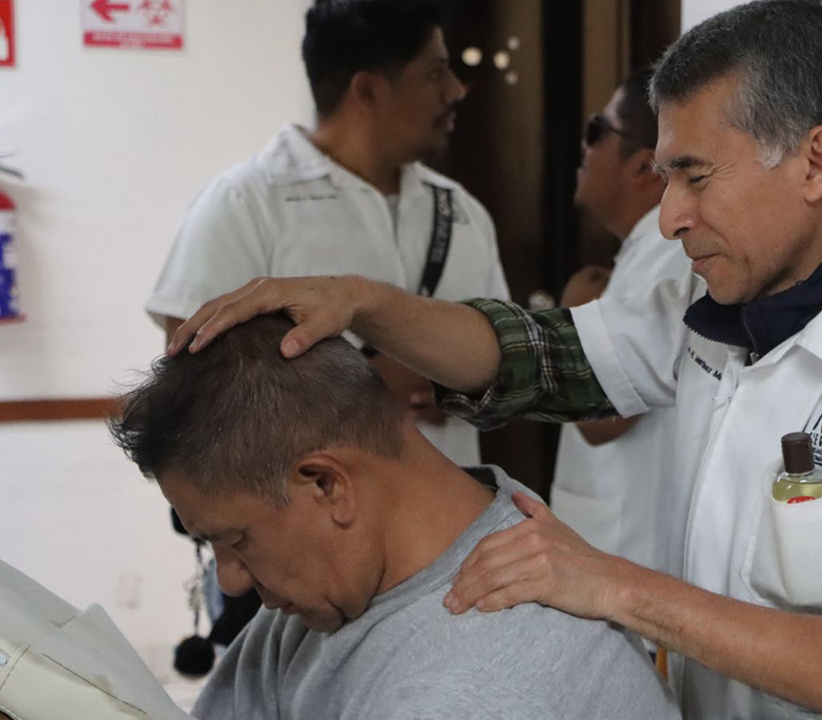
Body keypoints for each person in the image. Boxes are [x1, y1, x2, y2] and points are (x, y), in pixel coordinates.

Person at [168, 2, 822, 718]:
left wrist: (616, 586)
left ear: (816, 161)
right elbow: (540, 358)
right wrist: (365, 303)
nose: (668, 217)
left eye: (695, 176)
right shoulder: (726, 303)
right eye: (664, 177)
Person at [109, 315, 680, 720]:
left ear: (326, 484)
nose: (231, 580)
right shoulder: (331, 586)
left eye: (237, 540)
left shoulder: (475, 688)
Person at [146, 0, 509, 467]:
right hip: (300, 508)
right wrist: (367, 386)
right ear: (369, 90)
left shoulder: (462, 211)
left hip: (455, 504)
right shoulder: (245, 202)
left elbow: (510, 365)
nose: (456, 89)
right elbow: (191, 393)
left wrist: (462, 384)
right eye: (436, 72)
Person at [551, 68, 691, 575]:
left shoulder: (667, 253)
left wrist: (571, 315)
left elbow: (600, 416)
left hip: (626, 551)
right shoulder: (645, 251)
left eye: (597, 130)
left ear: (642, 165)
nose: (584, 147)